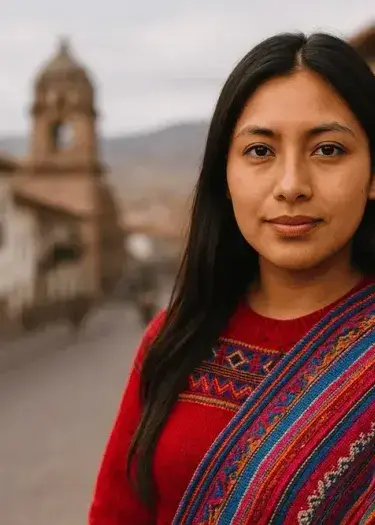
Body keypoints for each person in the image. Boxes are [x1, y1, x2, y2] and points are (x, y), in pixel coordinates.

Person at [89, 32, 375, 524]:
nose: (291, 186)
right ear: (225, 174)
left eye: (328, 149)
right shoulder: (177, 340)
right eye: (260, 151)